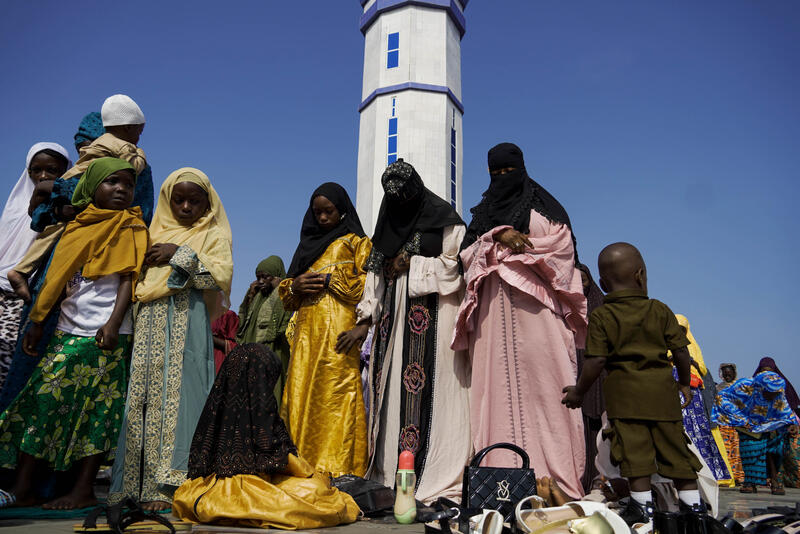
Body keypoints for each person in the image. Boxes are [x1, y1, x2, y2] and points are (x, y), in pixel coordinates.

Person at [0, 158, 147, 509]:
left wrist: (113, 324)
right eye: (112, 182)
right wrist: (37, 323)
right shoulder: (77, 226)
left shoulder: (131, 226)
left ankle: (82, 488)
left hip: (106, 336)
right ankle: (24, 487)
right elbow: (56, 282)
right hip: (66, 330)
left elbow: (128, 279)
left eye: (127, 184)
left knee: (97, 415)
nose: (122, 189)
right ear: (92, 186)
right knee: (40, 406)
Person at [451, 143, 587, 499]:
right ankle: (500, 481)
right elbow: (464, 258)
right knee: (492, 391)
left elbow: (561, 251)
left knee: (548, 387)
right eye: (495, 174)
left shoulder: (547, 210)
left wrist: (509, 253)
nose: (501, 179)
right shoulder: (483, 215)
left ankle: (556, 479)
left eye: (507, 172)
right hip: (492, 318)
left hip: (539, 315)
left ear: (522, 169)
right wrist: (496, 236)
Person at [0, 112, 151, 414]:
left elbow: (139, 213)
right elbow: (41, 219)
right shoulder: (73, 180)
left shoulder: (132, 172)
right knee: (34, 369)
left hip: (99, 290)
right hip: (57, 271)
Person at [338, 160, 470, 502]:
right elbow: (375, 279)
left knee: (437, 394)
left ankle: (435, 473)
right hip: (394, 323)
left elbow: (456, 267)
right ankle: (390, 471)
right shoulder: (386, 227)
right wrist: (365, 320)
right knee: (393, 393)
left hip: (436, 315)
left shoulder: (445, 220)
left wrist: (413, 262)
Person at [109, 168, 233, 511]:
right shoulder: (152, 231)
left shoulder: (212, 234)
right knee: (144, 398)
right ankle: (132, 485)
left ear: (207, 203)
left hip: (185, 320)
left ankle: (171, 486)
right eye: (179, 200)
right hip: (147, 319)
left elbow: (217, 278)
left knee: (180, 397)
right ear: (167, 200)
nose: (186, 207)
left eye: (195, 201)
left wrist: (178, 253)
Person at [562, 242, 703, 525]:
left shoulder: (602, 315)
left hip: (625, 401)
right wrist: (685, 384)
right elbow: (681, 352)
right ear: (641, 275)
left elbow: (596, 362)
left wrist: (579, 391)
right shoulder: (660, 310)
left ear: (602, 282)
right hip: (663, 398)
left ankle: (644, 512)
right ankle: (694, 512)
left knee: (634, 456)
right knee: (677, 453)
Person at [172, 343, 360, 529]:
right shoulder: (262, 413)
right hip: (250, 491)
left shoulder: (216, 409)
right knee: (317, 490)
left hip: (205, 492)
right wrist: (314, 474)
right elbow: (279, 457)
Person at [7, 96, 149, 303]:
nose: (85, 151)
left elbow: (141, 207)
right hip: (73, 254)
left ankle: (22, 271)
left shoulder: (117, 157)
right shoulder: (124, 150)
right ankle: (22, 273)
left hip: (110, 247)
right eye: (81, 147)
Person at [279, 182, 371, 477]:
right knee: (301, 396)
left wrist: (334, 281)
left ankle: (337, 470)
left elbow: (371, 287)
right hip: (306, 338)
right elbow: (287, 299)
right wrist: (295, 285)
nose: (322, 218)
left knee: (335, 397)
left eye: (328, 211)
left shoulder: (356, 243)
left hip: (339, 336)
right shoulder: (306, 247)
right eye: (317, 212)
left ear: (342, 210)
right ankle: (299, 467)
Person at [0, 143, 70, 390]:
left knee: (10, 369)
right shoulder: (13, 209)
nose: (42, 176)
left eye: (51, 170)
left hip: (28, 300)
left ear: (65, 171)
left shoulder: (62, 214)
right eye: (35, 170)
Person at [671, 315, 733, 486]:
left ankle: (713, 474)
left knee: (700, 431)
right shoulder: (665, 344)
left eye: (682, 329)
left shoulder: (693, 347)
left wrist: (690, 362)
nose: (680, 332)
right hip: (672, 389)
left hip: (693, 391)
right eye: (676, 328)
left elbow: (703, 369)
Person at [713, 371, 798, 495]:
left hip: (769, 424)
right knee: (751, 451)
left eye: (775, 394)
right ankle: (750, 483)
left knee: (774, 451)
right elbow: (722, 398)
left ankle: (774, 480)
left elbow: (784, 408)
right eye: (769, 393)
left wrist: (792, 423)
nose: (772, 396)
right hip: (747, 425)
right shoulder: (744, 386)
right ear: (760, 387)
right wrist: (740, 418)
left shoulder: (777, 392)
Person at [236, 256, 290, 402]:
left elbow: (280, 326)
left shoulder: (286, 294)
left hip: (274, 351)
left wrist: (280, 289)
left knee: (271, 393)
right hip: (252, 353)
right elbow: (242, 326)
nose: (261, 282)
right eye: (258, 277)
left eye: (266, 277)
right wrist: (250, 295)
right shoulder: (257, 297)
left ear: (277, 276)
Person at [576, 263, 606, 492]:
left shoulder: (603, 306)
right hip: (573, 371)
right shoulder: (563, 303)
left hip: (600, 375)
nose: (579, 284)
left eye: (583, 279)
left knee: (599, 429)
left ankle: (600, 481)